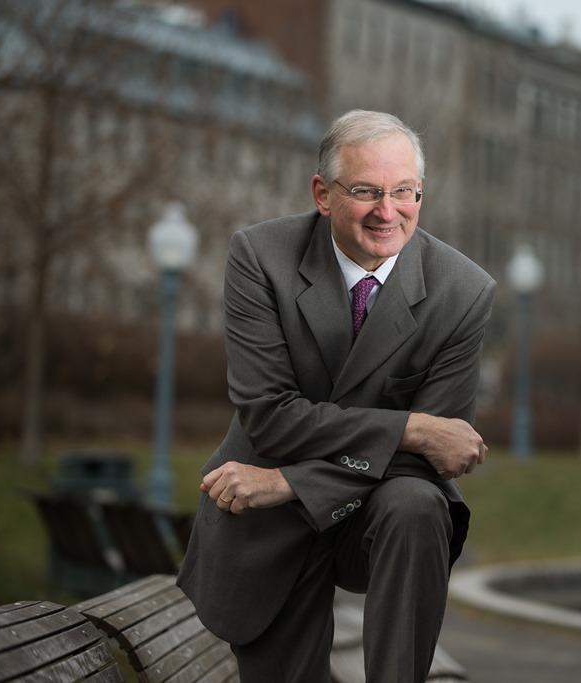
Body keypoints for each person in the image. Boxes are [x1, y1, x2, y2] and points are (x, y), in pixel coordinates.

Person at [177, 109, 496, 682]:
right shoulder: (260, 257)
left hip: (349, 509)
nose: (387, 211)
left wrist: (288, 482)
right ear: (323, 194)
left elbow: (436, 458)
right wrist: (409, 428)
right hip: (265, 524)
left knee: (418, 503)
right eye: (367, 191)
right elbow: (271, 418)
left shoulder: (463, 292)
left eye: (404, 192)